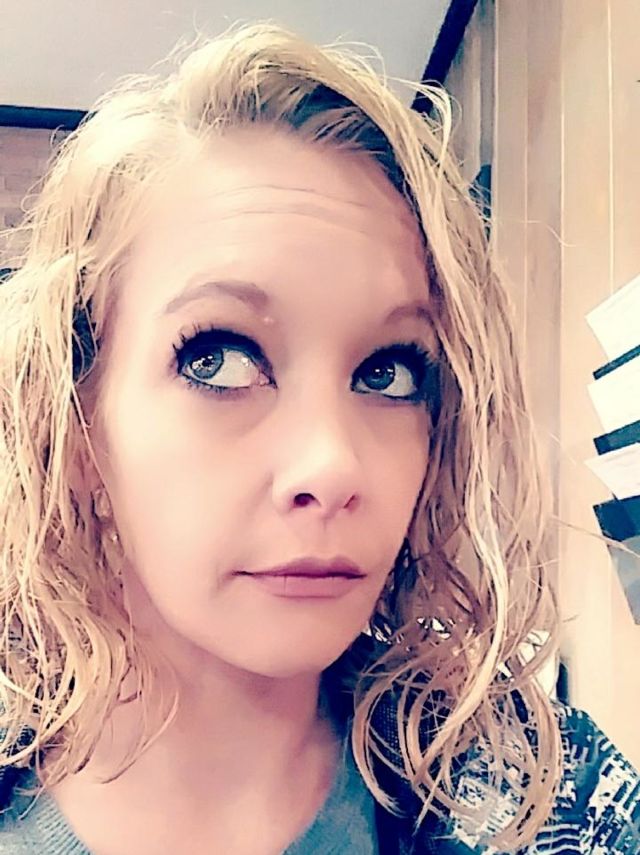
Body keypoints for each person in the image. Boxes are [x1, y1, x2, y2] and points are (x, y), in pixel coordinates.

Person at [0, 21, 638, 855]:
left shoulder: (553, 800)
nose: (334, 465)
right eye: (219, 358)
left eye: (389, 372)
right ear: (76, 425)